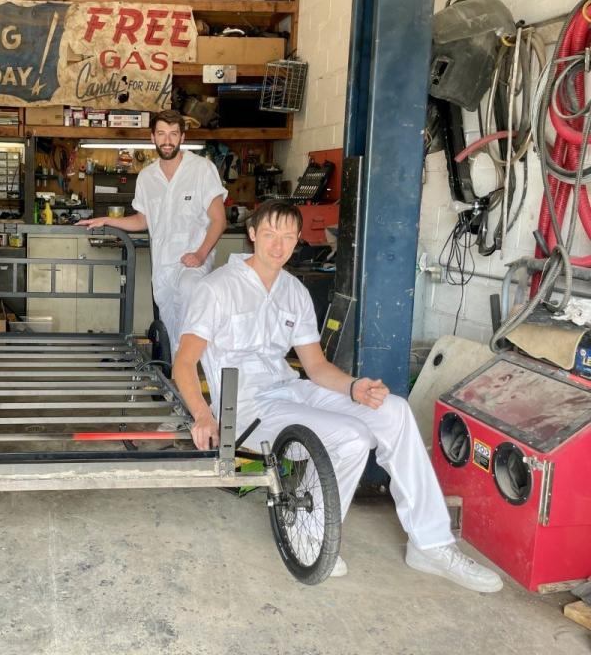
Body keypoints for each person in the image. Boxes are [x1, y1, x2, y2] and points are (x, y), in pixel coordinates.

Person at [173, 199, 503, 592]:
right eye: (269, 235)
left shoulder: (293, 291)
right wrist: (203, 415)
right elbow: (184, 363)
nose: (278, 246)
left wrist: (353, 387)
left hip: (291, 390)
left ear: (297, 241)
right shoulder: (218, 288)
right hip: (245, 407)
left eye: (288, 238)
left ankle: (430, 544)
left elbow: (315, 367)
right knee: (352, 436)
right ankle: (311, 533)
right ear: (252, 235)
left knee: (393, 410)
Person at [80, 110, 227, 357]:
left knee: (192, 313)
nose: (167, 140)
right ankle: (176, 383)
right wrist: (107, 220)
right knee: (170, 332)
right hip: (163, 268)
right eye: (161, 134)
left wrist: (201, 255)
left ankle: (195, 378)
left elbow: (219, 221)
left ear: (182, 137)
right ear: (152, 137)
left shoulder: (202, 169)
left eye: (173, 134)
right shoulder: (147, 177)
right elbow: (142, 220)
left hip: (192, 264)